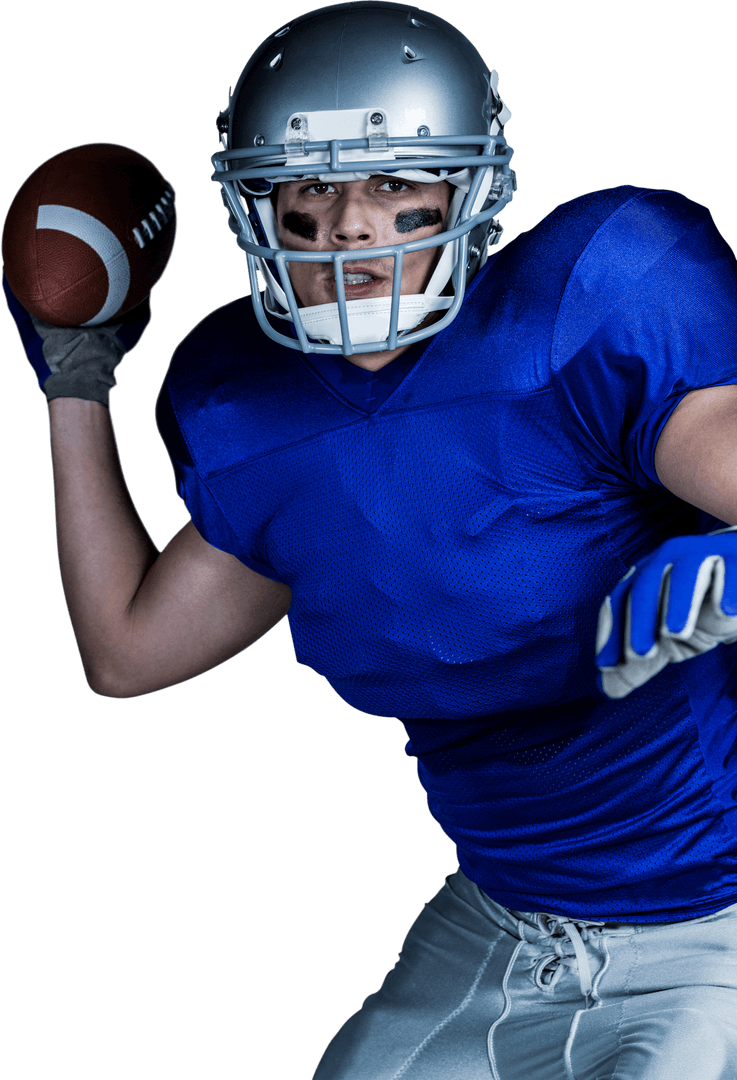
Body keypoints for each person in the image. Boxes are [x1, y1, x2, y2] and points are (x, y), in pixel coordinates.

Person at [5, 2, 737, 1076]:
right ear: (258, 200)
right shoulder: (242, 404)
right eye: (312, 186)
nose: (348, 223)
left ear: (467, 185)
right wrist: (78, 385)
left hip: (716, 918)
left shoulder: (590, 304)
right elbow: (125, 652)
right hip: (501, 921)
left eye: (394, 181)